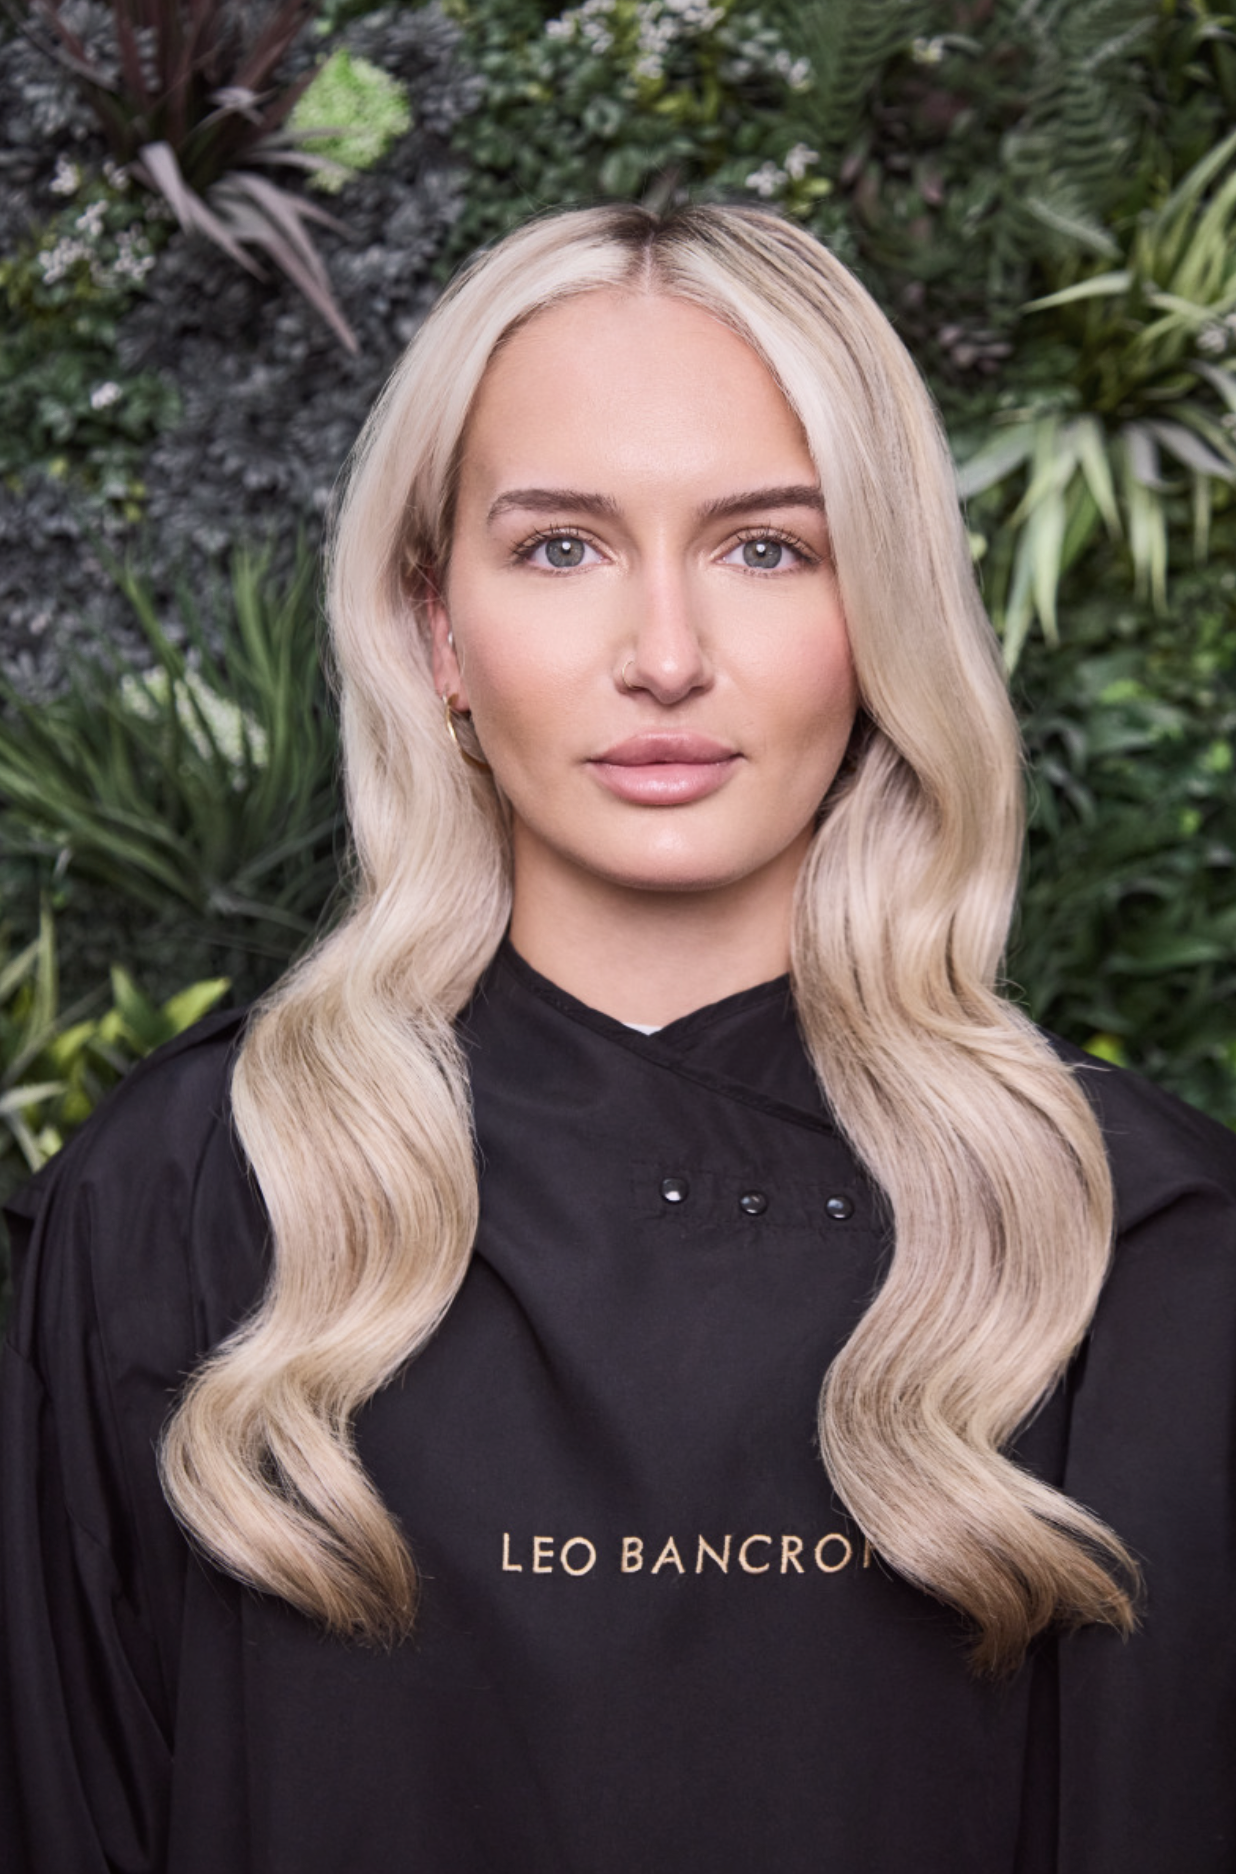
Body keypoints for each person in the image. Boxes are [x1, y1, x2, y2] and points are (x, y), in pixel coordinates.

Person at [2, 203, 1234, 1874]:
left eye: (766, 547)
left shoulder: (1135, 1243)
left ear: (879, 617)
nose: (665, 657)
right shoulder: (189, 1201)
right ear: (438, 628)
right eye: (563, 547)